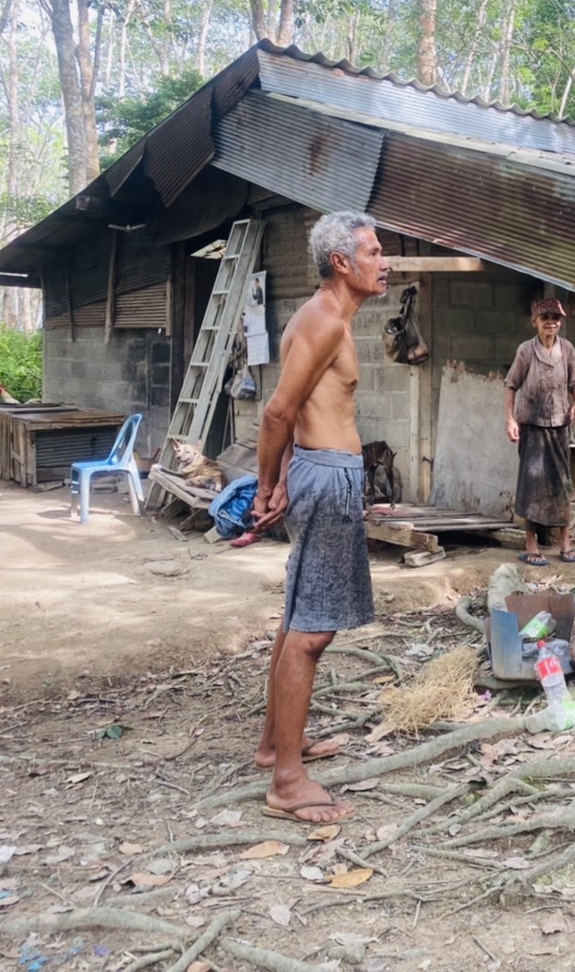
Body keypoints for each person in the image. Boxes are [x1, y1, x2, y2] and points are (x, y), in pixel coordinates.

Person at [249, 210, 390, 822]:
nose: (385, 262)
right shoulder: (325, 321)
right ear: (342, 262)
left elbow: (302, 406)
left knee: (298, 613)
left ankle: (273, 745)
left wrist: (283, 477)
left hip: (316, 469)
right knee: (313, 632)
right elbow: (278, 412)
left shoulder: (327, 317)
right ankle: (287, 781)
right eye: (375, 252)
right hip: (326, 477)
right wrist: (263, 484)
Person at [504, 297, 575, 565]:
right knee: (532, 486)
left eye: (556, 318)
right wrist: (510, 420)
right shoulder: (526, 351)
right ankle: (531, 544)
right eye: (545, 317)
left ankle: (565, 542)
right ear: (535, 321)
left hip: (559, 425)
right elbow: (511, 385)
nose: (551, 322)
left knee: (563, 486)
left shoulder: (568, 349)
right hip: (532, 425)